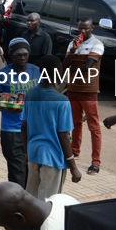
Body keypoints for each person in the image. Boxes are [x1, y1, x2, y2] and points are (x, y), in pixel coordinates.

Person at [0, 38, 41, 230]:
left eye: (25, 54)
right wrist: (5, 106)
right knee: (17, 173)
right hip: (11, 131)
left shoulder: (37, 71)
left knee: (31, 173)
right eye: (18, 55)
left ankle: (30, 217)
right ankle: (20, 225)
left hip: (33, 130)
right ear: (11, 56)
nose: (22, 58)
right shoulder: (3, 74)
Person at [22, 55, 82, 202]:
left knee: (32, 199)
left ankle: (31, 226)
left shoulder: (31, 94)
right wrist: (73, 166)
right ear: (59, 72)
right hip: (52, 157)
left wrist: (26, 151)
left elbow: (24, 126)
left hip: (34, 152)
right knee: (48, 202)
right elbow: (64, 135)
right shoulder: (62, 101)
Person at [62, 16, 104, 175]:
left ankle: (95, 162)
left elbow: (87, 66)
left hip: (89, 90)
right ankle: (74, 151)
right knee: (75, 122)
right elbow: (65, 64)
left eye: (86, 28)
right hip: (73, 88)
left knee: (93, 126)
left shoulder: (97, 44)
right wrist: (73, 50)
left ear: (92, 28)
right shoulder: (72, 44)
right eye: (80, 28)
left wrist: (69, 69)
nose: (82, 31)